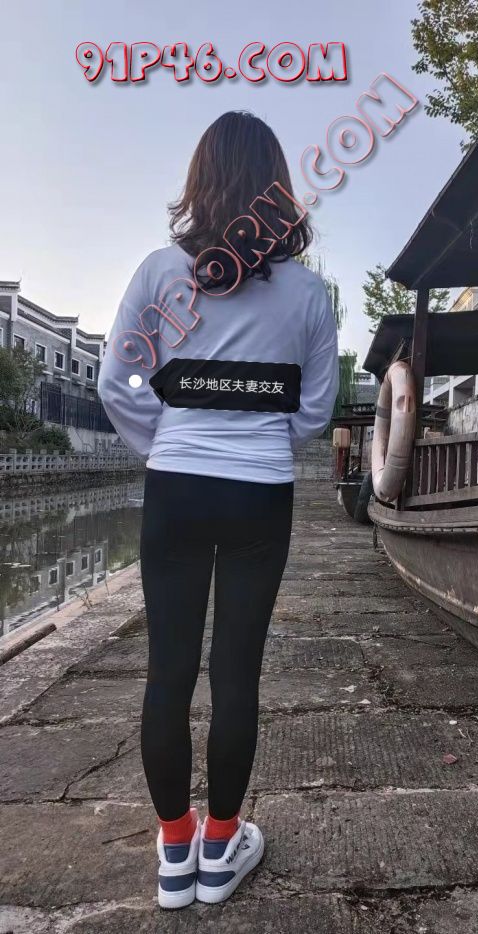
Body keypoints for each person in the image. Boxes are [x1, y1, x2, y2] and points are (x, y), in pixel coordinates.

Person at [97, 111, 339, 910]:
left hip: (175, 489)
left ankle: (175, 852)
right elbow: (314, 412)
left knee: (167, 671)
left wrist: (167, 443)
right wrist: (261, 443)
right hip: (259, 496)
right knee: (237, 672)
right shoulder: (309, 293)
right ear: (278, 189)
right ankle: (222, 842)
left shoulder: (159, 274)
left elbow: (115, 384)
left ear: (199, 181)